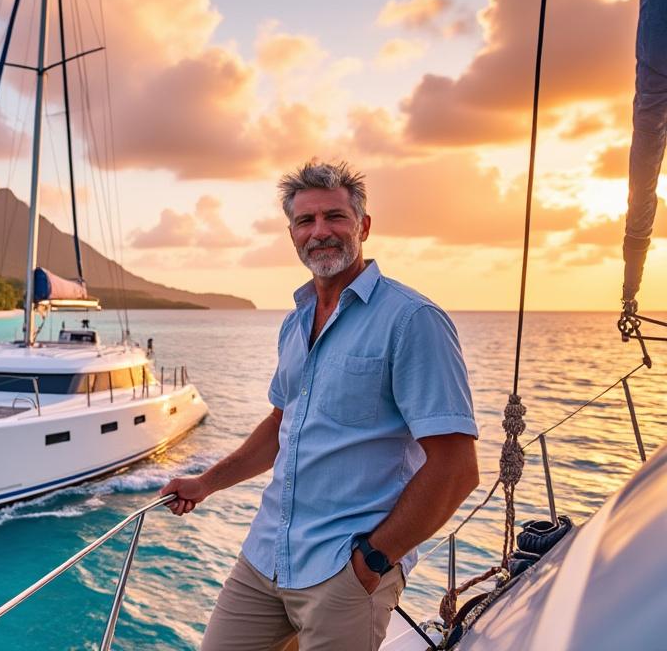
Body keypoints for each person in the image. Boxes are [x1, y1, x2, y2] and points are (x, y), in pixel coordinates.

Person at [160, 161, 480, 651]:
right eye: (305, 221)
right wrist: (207, 483)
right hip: (266, 555)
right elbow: (281, 423)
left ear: (363, 226)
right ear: (291, 233)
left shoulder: (412, 320)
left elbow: (456, 469)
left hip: (344, 569)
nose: (320, 232)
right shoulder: (295, 322)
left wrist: (373, 562)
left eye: (335, 217)